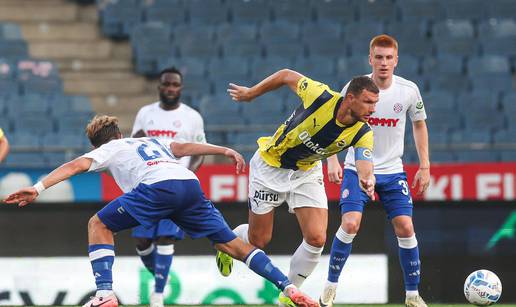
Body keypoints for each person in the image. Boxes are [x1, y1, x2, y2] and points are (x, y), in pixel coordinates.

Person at [3, 115, 319, 307]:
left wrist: (39, 187)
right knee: (232, 244)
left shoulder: (108, 149)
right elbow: (182, 148)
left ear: (98, 142)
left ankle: (104, 294)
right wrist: (222, 150)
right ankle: (288, 287)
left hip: (159, 187)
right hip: (189, 184)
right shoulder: (150, 140)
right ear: (119, 133)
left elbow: (76, 165)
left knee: (98, 224)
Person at [216, 69, 379, 307]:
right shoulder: (320, 95)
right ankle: (231, 241)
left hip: (307, 171)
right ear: (350, 98)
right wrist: (251, 93)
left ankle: (289, 296)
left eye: (375, 103)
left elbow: (365, 163)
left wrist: (368, 179)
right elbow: (285, 75)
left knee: (316, 238)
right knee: (258, 240)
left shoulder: (363, 132)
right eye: (368, 102)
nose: (373, 109)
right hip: (270, 166)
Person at [319, 34, 430, 307]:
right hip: (357, 167)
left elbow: (419, 124)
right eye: (378, 57)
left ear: (396, 61)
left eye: (388, 58)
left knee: (405, 226)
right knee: (350, 223)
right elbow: (335, 122)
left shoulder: (408, 91)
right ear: (370, 59)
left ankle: (413, 296)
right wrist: (332, 160)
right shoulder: (355, 88)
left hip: (393, 170)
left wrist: (425, 165)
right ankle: (329, 289)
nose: (383, 63)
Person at [131, 66, 206, 307]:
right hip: (149, 184)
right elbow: (136, 143)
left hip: (176, 186)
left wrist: (186, 174)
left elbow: (200, 152)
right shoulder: (145, 113)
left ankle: (159, 295)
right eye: (167, 84)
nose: (171, 89)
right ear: (160, 87)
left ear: (181, 88)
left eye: (175, 85)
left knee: (166, 237)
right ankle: (160, 279)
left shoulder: (193, 117)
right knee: (142, 241)